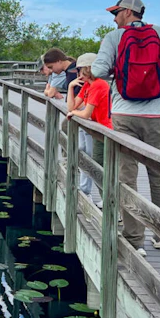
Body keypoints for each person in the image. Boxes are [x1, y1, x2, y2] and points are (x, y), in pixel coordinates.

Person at [91, 0, 160, 257]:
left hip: (124, 115)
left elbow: (97, 70)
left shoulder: (113, 38)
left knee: (126, 177)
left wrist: (121, 72)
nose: (114, 18)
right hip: (156, 117)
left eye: (116, 13)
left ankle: (135, 240)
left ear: (128, 12)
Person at [66, 53, 111, 208]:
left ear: (87, 69)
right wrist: (71, 87)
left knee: (97, 166)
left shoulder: (99, 85)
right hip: (95, 130)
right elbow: (71, 106)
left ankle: (110, 203)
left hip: (104, 131)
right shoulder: (87, 85)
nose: (78, 74)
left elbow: (85, 113)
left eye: (79, 70)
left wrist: (73, 114)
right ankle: (99, 197)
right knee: (90, 161)